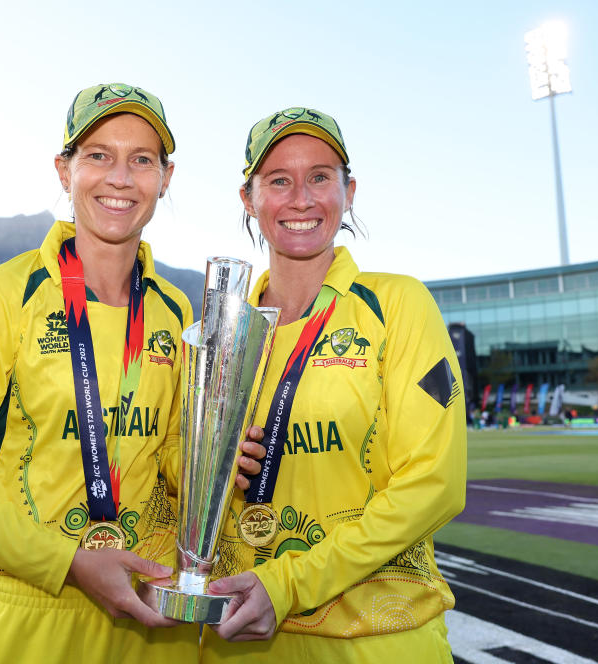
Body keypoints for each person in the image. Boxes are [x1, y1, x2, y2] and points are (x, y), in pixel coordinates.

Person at [0, 82, 218, 663]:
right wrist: (67, 562)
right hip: (30, 615)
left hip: (152, 614)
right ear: (64, 170)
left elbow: (167, 451)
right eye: (98, 155)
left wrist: (215, 457)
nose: (120, 177)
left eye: (142, 159)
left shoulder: (177, 308)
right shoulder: (5, 294)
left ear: (165, 179)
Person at [200, 108, 467, 662]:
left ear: (349, 191)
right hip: (238, 640)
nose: (301, 198)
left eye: (320, 176)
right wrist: (212, 468)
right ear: (247, 199)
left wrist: (290, 583)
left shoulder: (396, 304)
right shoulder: (226, 333)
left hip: (376, 642)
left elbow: (435, 484)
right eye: (278, 180)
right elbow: (183, 477)